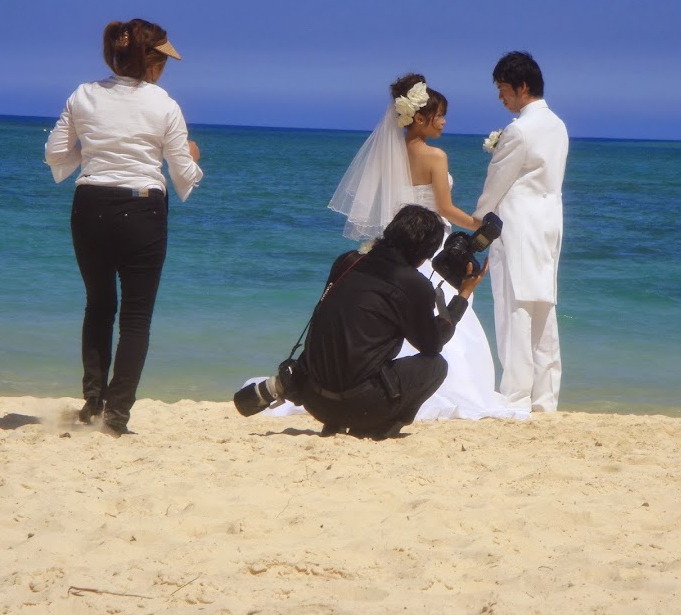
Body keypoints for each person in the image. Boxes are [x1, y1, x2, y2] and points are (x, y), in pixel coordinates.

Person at [327, 73, 527, 420]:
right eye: (440, 115)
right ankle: (453, 387)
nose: (444, 121)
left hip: (397, 246)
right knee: (444, 310)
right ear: (419, 117)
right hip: (432, 244)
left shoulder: (389, 155)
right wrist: (480, 225)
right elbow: (445, 209)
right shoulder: (435, 156)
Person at [45, 19, 203, 435]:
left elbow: (55, 154)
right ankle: (116, 417)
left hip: (90, 205)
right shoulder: (164, 104)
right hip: (142, 209)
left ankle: (92, 403)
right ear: (152, 62)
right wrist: (193, 156)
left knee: (98, 306)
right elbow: (181, 171)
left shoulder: (83, 94)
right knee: (135, 318)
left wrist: (93, 153)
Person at [235, 205, 486, 437]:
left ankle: (301, 393)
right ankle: (381, 427)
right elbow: (433, 344)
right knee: (436, 366)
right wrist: (463, 295)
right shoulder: (413, 284)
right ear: (426, 253)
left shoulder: (347, 261)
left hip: (314, 400)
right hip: (359, 406)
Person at [472, 51, 569, 412]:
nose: (501, 97)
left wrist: (478, 219)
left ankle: (515, 396)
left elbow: (497, 183)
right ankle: (545, 398)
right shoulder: (558, 125)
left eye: (503, 89)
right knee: (543, 309)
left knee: (514, 310)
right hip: (548, 226)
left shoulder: (519, 130)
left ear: (521, 87)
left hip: (516, 227)